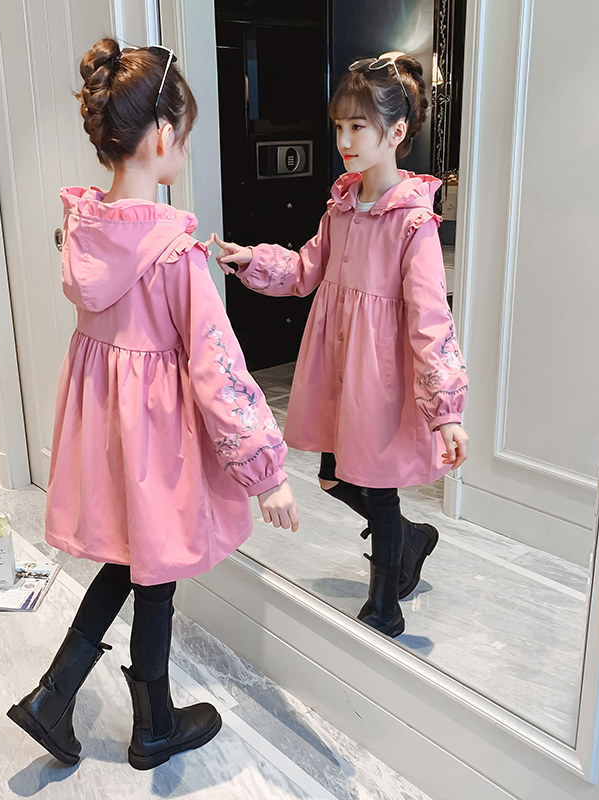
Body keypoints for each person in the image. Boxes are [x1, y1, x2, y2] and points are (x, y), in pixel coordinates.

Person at [7, 37, 299, 771]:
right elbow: (220, 369)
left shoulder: (86, 232)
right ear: (164, 135)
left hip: (107, 433)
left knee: (139, 562)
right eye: (186, 135)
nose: (185, 149)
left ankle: (62, 697)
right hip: (158, 443)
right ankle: (147, 720)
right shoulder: (174, 255)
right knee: (153, 568)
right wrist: (266, 472)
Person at [211, 52, 468, 638]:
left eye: (359, 126)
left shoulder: (413, 223)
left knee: (377, 487)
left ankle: (384, 608)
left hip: (379, 378)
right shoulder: (342, 208)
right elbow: (305, 270)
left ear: (396, 132)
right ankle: (410, 540)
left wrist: (447, 409)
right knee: (334, 476)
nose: (345, 141)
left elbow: (431, 317)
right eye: (339, 127)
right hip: (337, 370)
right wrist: (252, 260)